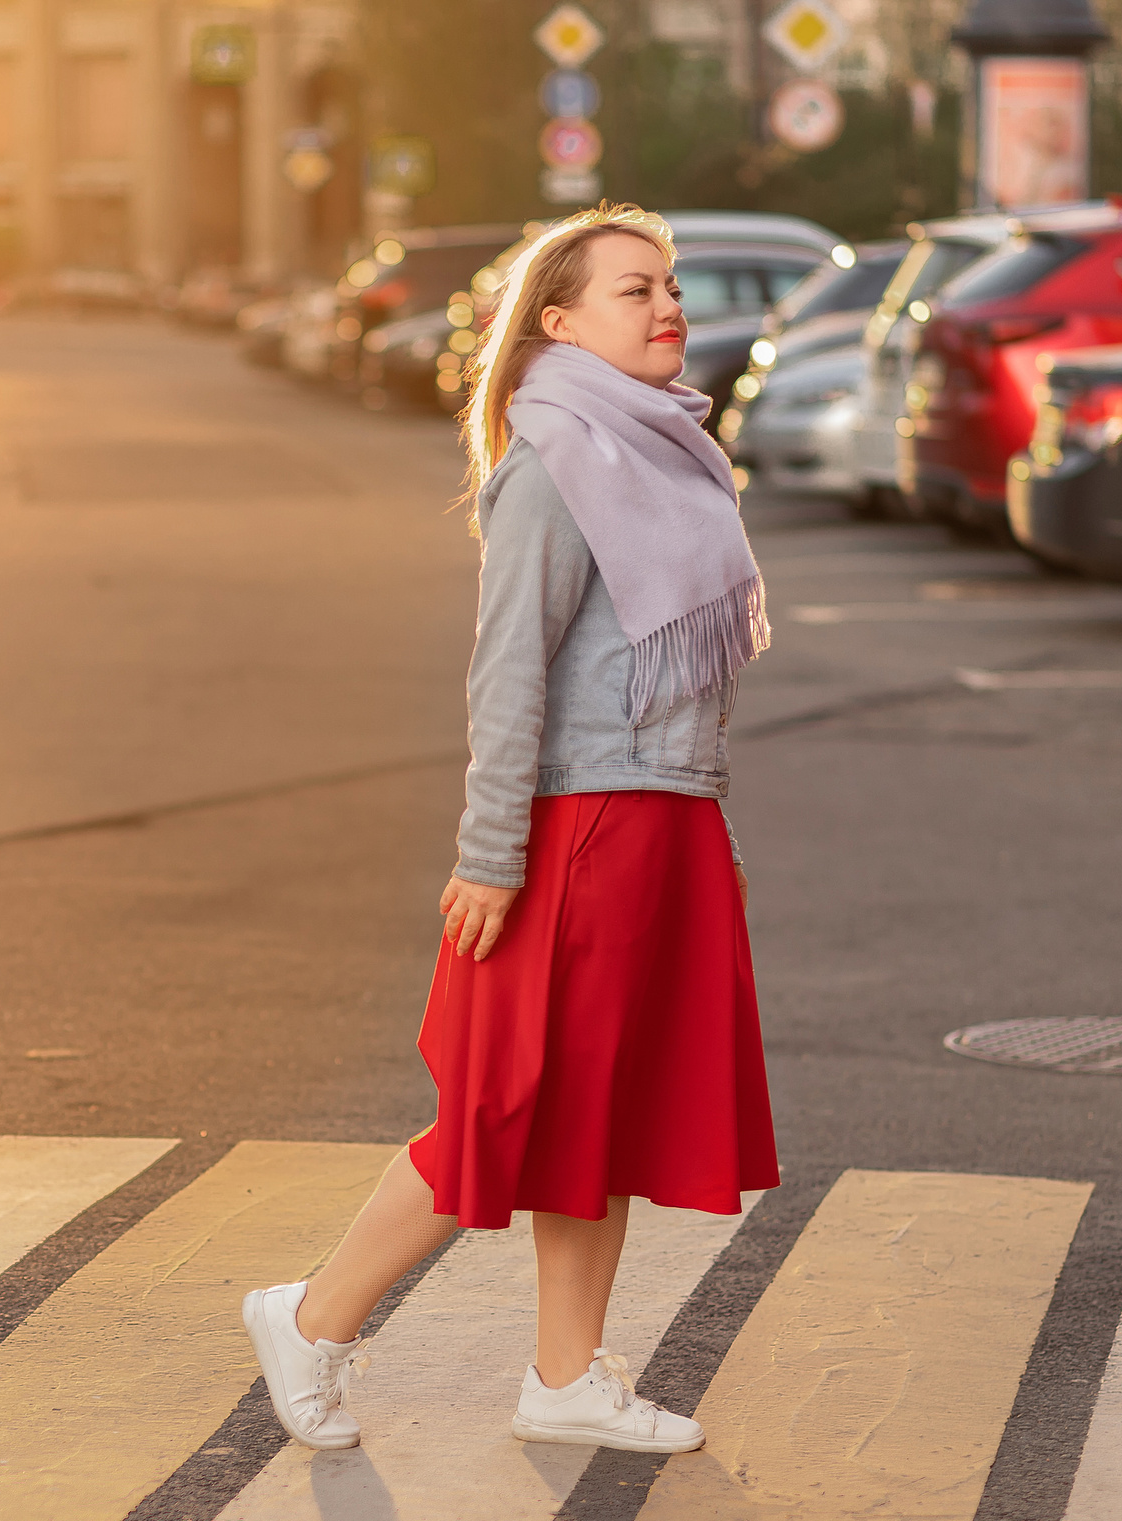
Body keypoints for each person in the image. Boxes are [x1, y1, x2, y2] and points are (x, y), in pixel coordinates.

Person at [243, 203, 779, 1454]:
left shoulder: (662, 451)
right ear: (559, 322)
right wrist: (493, 850)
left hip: (663, 816)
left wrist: (699, 817)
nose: (666, 308)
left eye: (669, 287)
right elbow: (509, 673)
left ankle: (565, 1376)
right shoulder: (558, 457)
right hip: (577, 827)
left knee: (609, 1114)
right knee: (503, 1109)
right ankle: (314, 1317)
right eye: (633, 290)